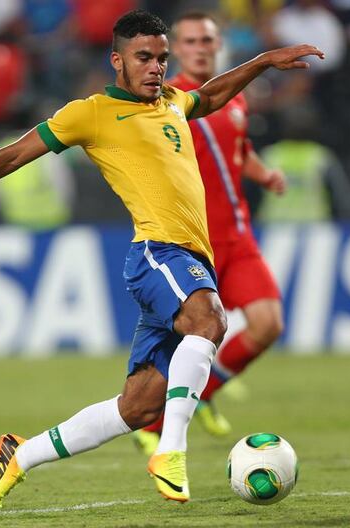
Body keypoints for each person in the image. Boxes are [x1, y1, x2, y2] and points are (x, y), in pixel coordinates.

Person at [0, 9, 323, 507]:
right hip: (158, 252)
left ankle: (20, 455)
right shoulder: (89, 113)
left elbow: (214, 95)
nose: (156, 68)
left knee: (136, 407)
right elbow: (10, 156)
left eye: (161, 58)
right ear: (117, 60)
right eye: (143, 58)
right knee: (209, 321)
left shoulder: (173, 103)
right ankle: (171, 452)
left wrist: (264, 61)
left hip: (184, 257)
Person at [132, 11, 287, 452]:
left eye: (207, 40)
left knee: (267, 324)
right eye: (191, 41)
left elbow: (239, 151)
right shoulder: (165, 102)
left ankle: (203, 397)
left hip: (236, 238)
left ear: (217, 46)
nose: (200, 47)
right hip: (190, 244)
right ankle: (151, 426)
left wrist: (263, 175)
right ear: (176, 49)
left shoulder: (232, 98)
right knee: (180, 350)